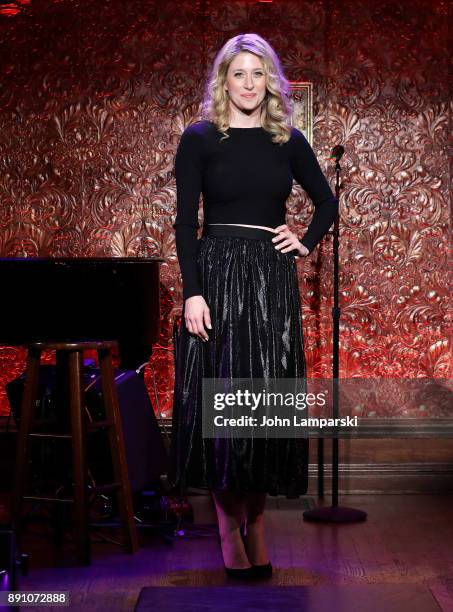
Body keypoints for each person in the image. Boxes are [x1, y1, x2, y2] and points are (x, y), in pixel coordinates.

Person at [169, 33, 338, 580]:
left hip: (270, 281)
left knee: (263, 404)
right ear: (224, 80)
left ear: (271, 82)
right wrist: (192, 292)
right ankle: (225, 529)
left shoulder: (287, 139)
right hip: (216, 278)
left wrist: (305, 240)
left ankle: (258, 525)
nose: (247, 83)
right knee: (222, 407)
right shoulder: (198, 138)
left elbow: (326, 203)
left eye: (257, 74)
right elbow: (184, 224)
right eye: (238, 73)